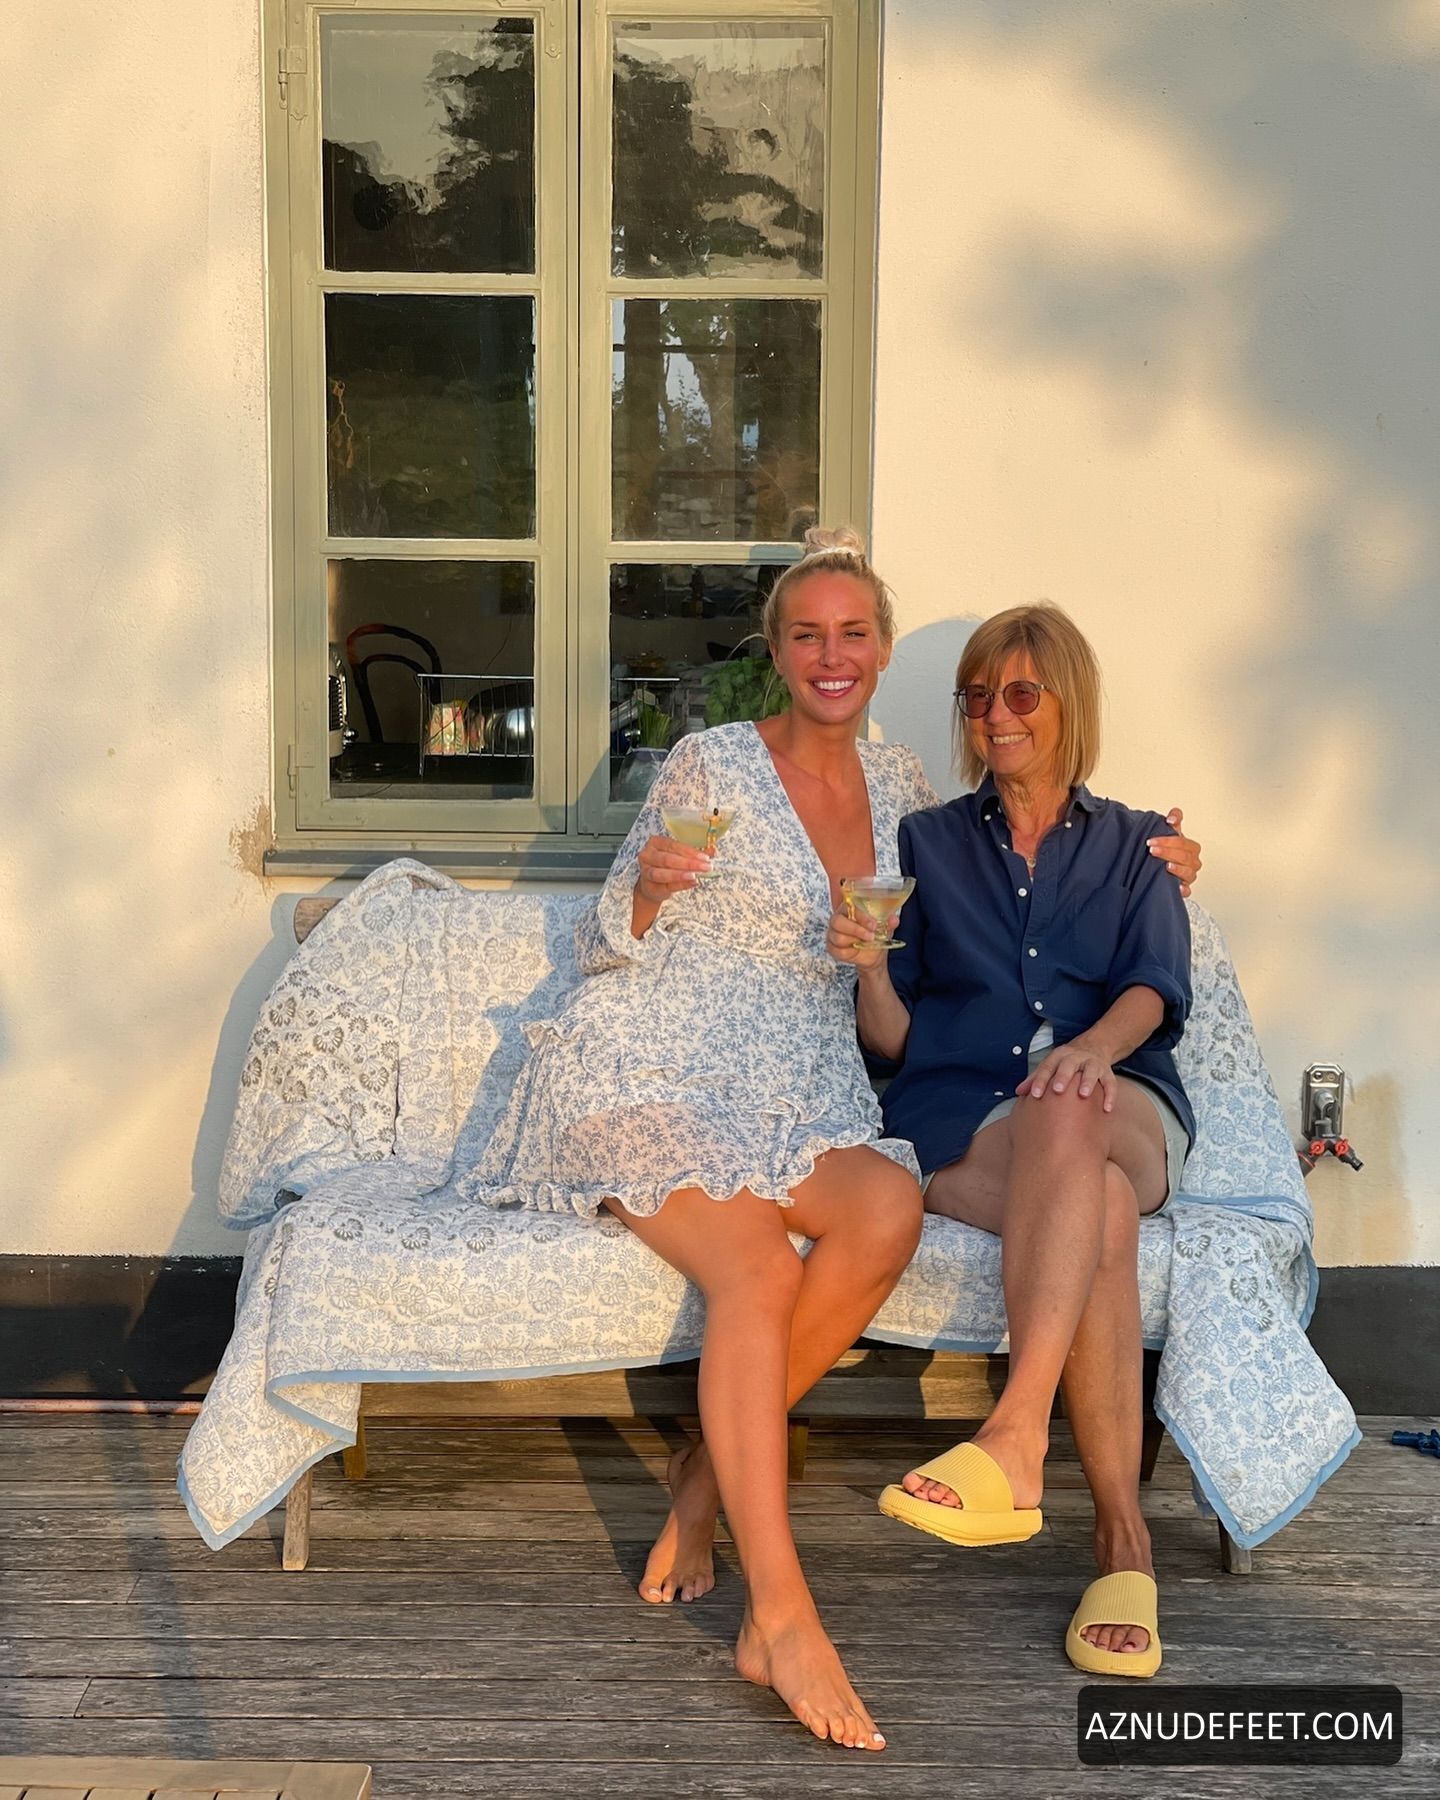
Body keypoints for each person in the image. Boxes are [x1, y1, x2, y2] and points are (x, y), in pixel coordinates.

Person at [467, 538, 1200, 1743]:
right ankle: (782, 1616)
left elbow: (950, 948)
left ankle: (712, 1471)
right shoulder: (710, 760)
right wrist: (646, 889)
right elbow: (608, 936)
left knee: (888, 1209)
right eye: (806, 634)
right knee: (759, 1272)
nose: (831, 655)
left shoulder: (910, 797)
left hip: (799, 1086)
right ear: (776, 649)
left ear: (881, 648)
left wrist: (1162, 860)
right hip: (656, 1056)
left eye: (853, 632)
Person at [837, 601, 1194, 1680]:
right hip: (966, 1120)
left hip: (1120, 1098)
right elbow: (895, 1040)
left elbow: (1154, 986)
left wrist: (1090, 1048)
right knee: (1100, 1214)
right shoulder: (927, 844)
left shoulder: (1139, 843)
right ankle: (1124, 1547)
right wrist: (868, 966)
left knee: (1068, 1101)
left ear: (1067, 702)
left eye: (1022, 693)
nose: (997, 715)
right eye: (979, 696)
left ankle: (1017, 1435)